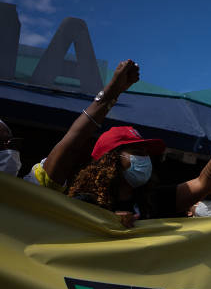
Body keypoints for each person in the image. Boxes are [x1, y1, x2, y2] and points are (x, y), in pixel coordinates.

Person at [66, 119, 211, 226]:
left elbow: (203, 184)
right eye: (138, 152)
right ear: (110, 160)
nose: (145, 159)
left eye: (146, 154)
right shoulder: (84, 204)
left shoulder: (151, 200)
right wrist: (105, 223)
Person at [23, 60, 141, 191]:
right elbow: (72, 144)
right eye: (138, 152)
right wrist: (112, 92)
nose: (144, 159)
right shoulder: (36, 192)